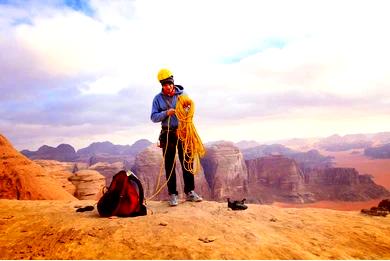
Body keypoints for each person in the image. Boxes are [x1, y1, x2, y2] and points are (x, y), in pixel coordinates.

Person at [151, 68, 203, 206]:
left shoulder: (183, 95)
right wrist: (166, 113)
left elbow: (189, 109)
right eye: (164, 84)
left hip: (183, 132)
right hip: (167, 133)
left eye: (169, 83)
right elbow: (153, 117)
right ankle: (173, 194)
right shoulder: (157, 99)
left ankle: (190, 192)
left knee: (186, 161)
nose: (167, 87)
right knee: (169, 164)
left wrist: (184, 111)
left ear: (173, 82)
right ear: (161, 85)